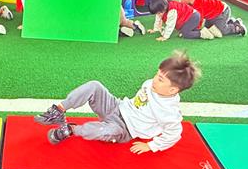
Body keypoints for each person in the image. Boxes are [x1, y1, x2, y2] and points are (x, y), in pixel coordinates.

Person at [34, 53, 197, 152]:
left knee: (107, 130)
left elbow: (174, 133)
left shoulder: (168, 111)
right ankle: (58, 110)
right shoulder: (151, 84)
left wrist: (151, 146)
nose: (154, 79)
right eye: (157, 74)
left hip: (124, 129)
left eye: (160, 79)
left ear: (172, 90)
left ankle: (70, 129)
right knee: (95, 86)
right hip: (117, 107)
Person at [148, 0, 246, 41]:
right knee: (210, 26)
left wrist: (195, 29)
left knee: (222, 31)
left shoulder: (199, 4)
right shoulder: (188, 3)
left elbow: (200, 18)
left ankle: (236, 27)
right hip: (212, 15)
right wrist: (156, 29)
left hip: (221, 11)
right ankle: (229, 21)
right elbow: (160, 18)